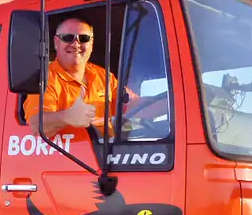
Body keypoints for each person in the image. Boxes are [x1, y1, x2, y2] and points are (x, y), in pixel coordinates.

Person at [23, 16, 169, 140]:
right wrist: (67, 117)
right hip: (69, 162)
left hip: (106, 157)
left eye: (83, 38)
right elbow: (36, 125)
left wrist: (171, 103)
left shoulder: (103, 76)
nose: (76, 44)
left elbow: (134, 105)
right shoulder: (45, 77)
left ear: (91, 44)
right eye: (68, 38)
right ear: (56, 42)